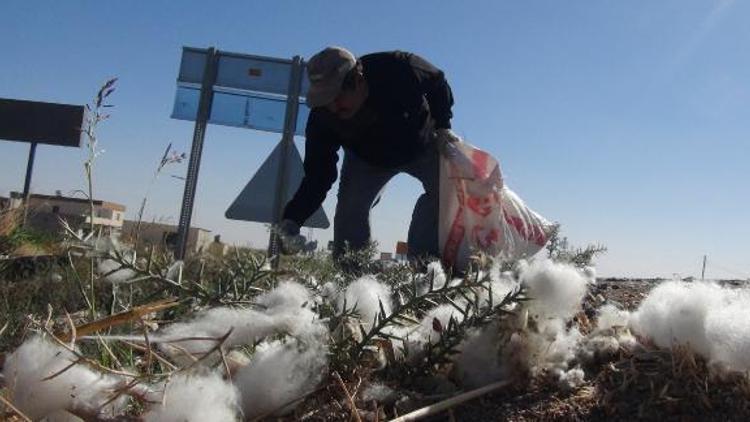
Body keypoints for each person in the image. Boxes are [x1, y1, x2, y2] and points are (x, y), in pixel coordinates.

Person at [278, 46, 460, 264]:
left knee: (449, 194)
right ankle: (352, 281)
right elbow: (317, 177)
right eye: (325, 101)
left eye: (336, 98)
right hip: (367, 161)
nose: (333, 108)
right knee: (350, 211)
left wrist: (443, 126)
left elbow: (437, 81)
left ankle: (426, 270)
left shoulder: (397, 68)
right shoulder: (323, 118)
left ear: (358, 80)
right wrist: (292, 220)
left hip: (422, 144)